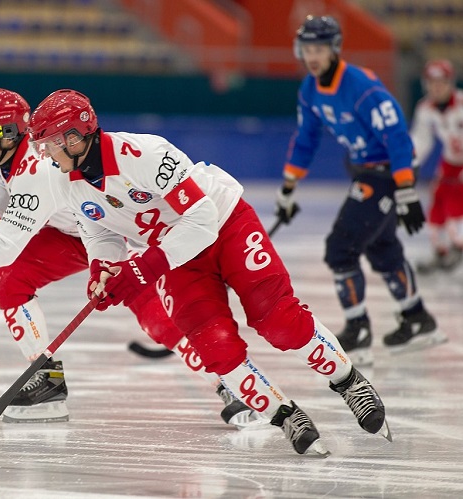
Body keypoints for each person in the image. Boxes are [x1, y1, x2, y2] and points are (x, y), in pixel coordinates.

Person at [22, 87, 391, 456]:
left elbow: (201, 219)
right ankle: (285, 415)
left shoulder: (144, 153)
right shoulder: (64, 181)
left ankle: (348, 381)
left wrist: (142, 268)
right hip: (175, 257)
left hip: (225, 224)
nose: (45, 154)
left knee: (276, 318)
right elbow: (99, 230)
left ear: (74, 137)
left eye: (49, 144)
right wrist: (102, 269)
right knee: (215, 348)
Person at [0, 88, 256, 427]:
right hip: (71, 232)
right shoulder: (10, 154)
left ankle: (232, 380)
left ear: (6, 133)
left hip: (106, 230)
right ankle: (44, 377)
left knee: (154, 317)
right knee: (7, 281)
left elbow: (6, 246)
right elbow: (3, 183)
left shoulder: (38, 172)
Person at [274, 15, 447, 366]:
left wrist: (406, 189)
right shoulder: (309, 89)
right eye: (307, 48)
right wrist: (288, 188)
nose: (313, 56)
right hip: (367, 172)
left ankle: (358, 329)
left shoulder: (361, 86)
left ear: (335, 49)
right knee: (382, 247)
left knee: (341, 248)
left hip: (386, 175)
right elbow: (306, 139)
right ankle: (417, 318)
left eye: (319, 48)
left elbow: (397, 137)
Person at [410, 59, 463, 274]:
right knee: (438, 199)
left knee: (455, 201)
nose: (436, 87)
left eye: (441, 82)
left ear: (450, 83)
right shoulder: (425, 109)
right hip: (450, 162)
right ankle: (440, 250)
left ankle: (458, 245)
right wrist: (407, 164)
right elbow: (420, 142)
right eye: (432, 82)